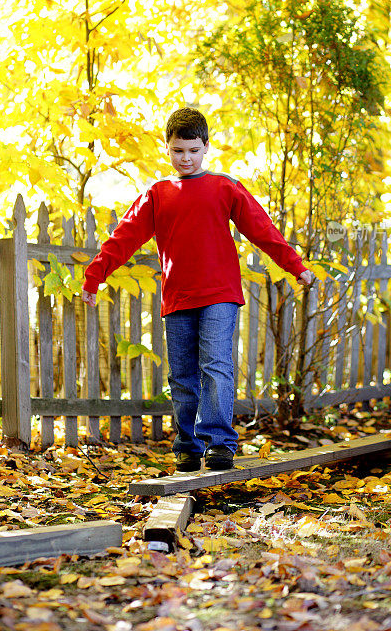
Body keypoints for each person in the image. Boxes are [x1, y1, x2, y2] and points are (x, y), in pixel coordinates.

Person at [82, 107, 314, 472]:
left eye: (192, 150)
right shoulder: (158, 194)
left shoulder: (225, 187)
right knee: (182, 375)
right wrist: (95, 276)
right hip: (177, 298)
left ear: (206, 147)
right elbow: (122, 238)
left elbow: (261, 229)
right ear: (168, 149)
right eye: (178, 151)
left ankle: (219, 443)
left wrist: (295, 266)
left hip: (220, 294)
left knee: (216, 366)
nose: (185, 158)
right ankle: (187, 446)